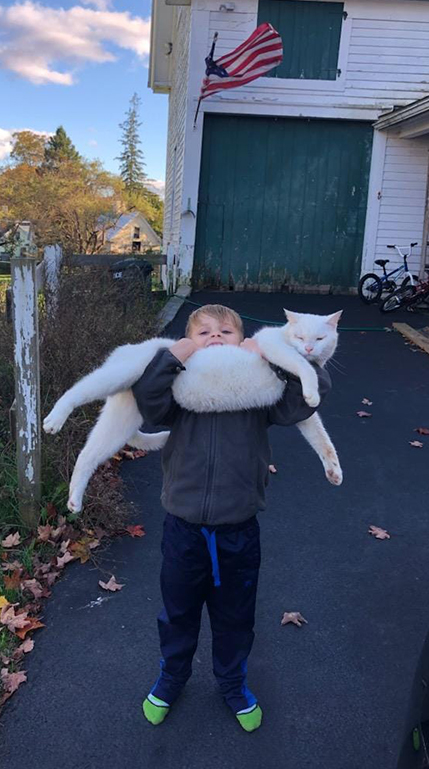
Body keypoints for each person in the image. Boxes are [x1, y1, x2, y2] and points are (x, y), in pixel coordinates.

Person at [131, 304, 331, 732]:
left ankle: (232, 682)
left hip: (238, 530)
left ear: (243, 342)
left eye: (226, 330)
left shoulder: (258, 388)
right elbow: (147, 401)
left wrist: (287, 359)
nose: (215, 337)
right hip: (183, 529)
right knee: (178, 612)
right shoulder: (180, 387)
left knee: (235, 617)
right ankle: (172, 677)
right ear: (188, 342)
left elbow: (301, 404)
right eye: (202, 333)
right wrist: (173, 357)